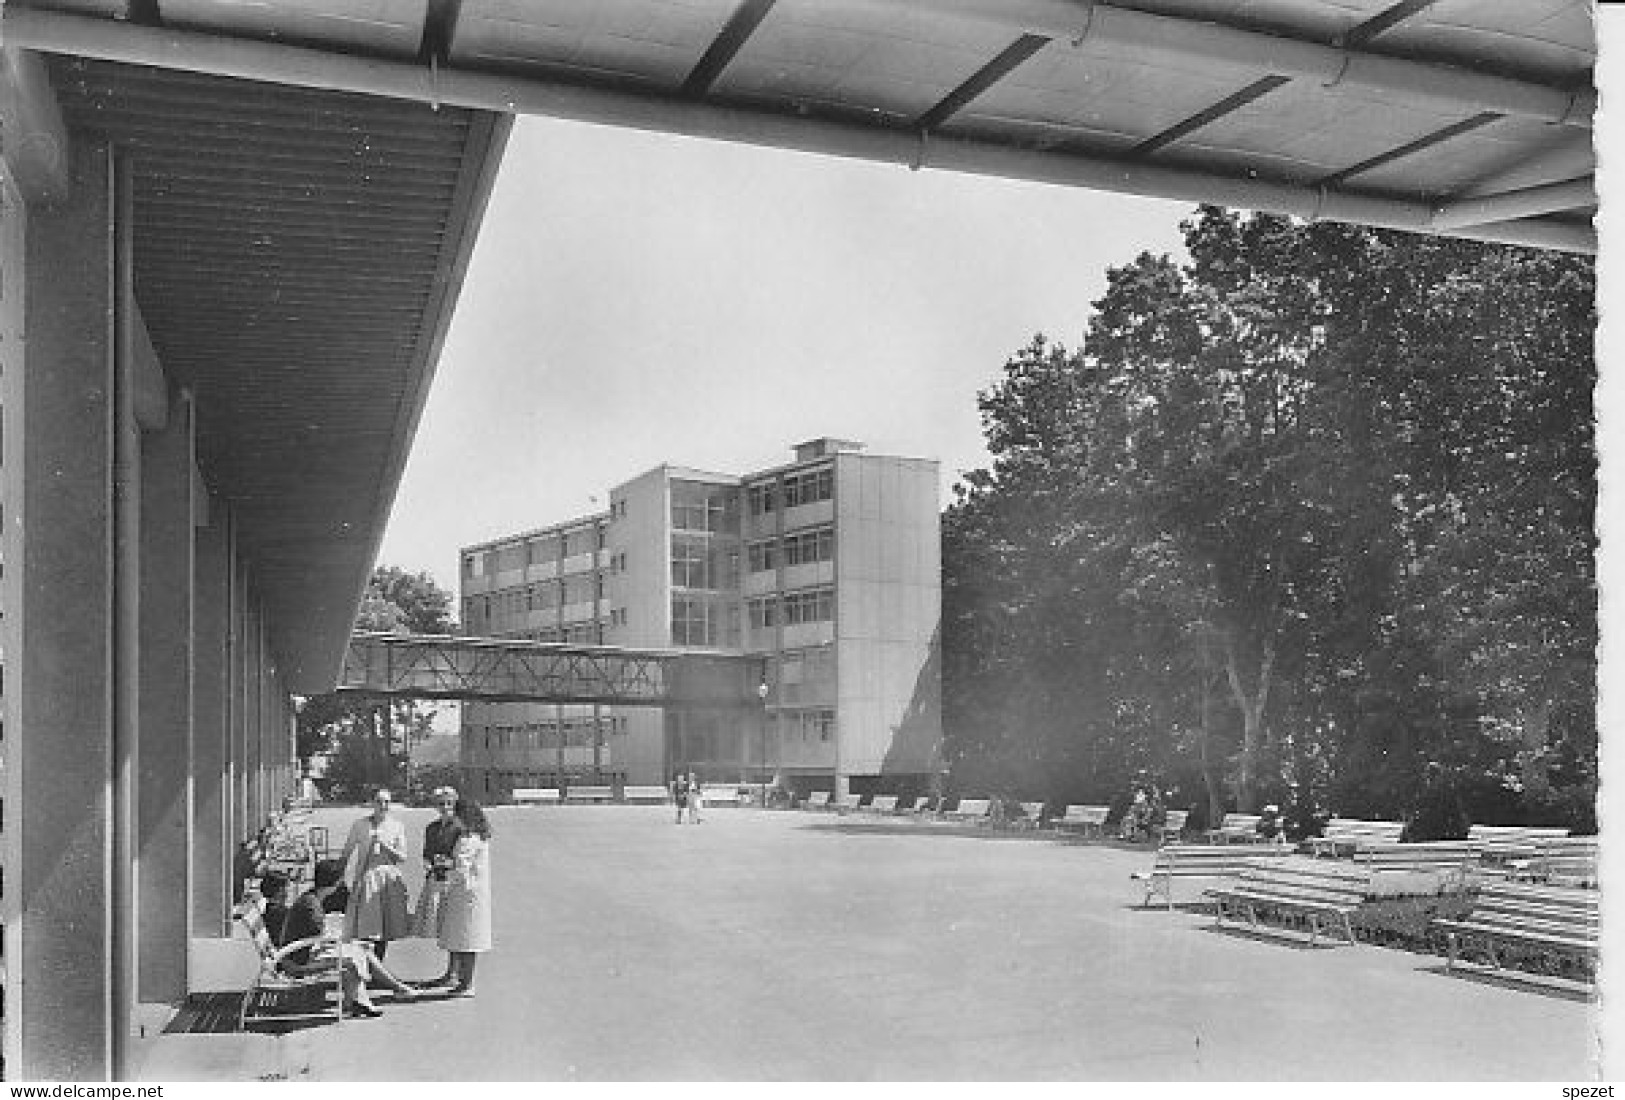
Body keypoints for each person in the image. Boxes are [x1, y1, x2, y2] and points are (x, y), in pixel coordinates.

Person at [281, 858, 417, 1018]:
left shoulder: (311, 898)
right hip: (299, 959)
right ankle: (364, 999)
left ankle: (369, 997)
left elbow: (317, 931)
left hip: (299, 952)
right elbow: (320, 935)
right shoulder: (311, 904)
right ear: (336, 882)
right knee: (354, 956)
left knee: (361, 949)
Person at [340, 787, 412, 960]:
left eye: (387, 802)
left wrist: (385, 846)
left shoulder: (397, 826)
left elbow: (402, 857)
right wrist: (340, 877)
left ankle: (379, 964)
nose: (383, 805)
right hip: (366, 878)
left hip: (387, 879)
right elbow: (347, 852)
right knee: (366, 925)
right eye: (379, 801)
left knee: (385, 926)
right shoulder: (360, 825)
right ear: (373, 803)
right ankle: (365, 964)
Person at [437, 797, 493, 997]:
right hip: (476, 894)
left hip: (465, 893)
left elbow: (461, 869)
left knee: (467, 939)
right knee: (469, 938)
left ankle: (466, 984)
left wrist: (445, 867)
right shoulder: (480, 837)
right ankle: (464, 981)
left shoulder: (466, 840)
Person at [412, 785, 464, 984]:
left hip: (452, 881)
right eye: (441, 804)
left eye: (449, 803)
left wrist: (448, 863)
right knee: (443, 927)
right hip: (436, 879)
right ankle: (450, 972)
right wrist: (429, 863)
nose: (445, 807)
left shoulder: (460, 828)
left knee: (453, 926)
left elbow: (462, 856)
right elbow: (426, 853)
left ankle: (455, 971)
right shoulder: (431, 828)